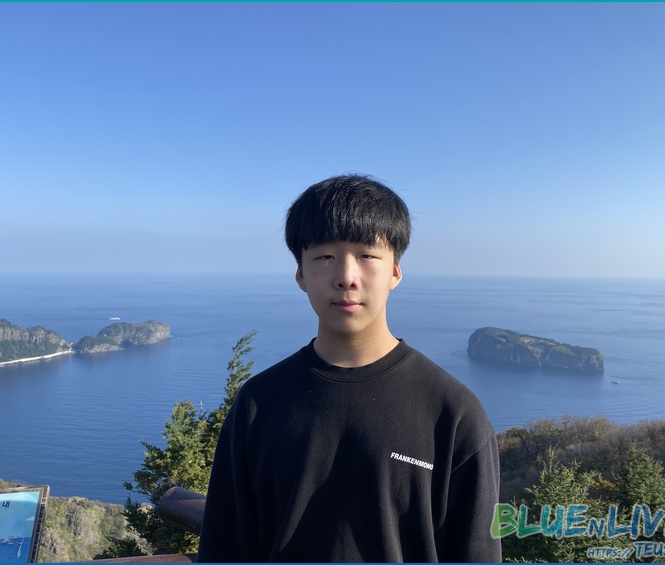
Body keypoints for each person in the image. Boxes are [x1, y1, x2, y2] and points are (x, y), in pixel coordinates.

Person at [197, 174, 501, 562]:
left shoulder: (453, 414)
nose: (346, 278)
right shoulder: (258, 403)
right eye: (324, 257)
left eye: (367, 256)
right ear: (301, 275)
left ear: (395, 272)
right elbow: (224, 549)